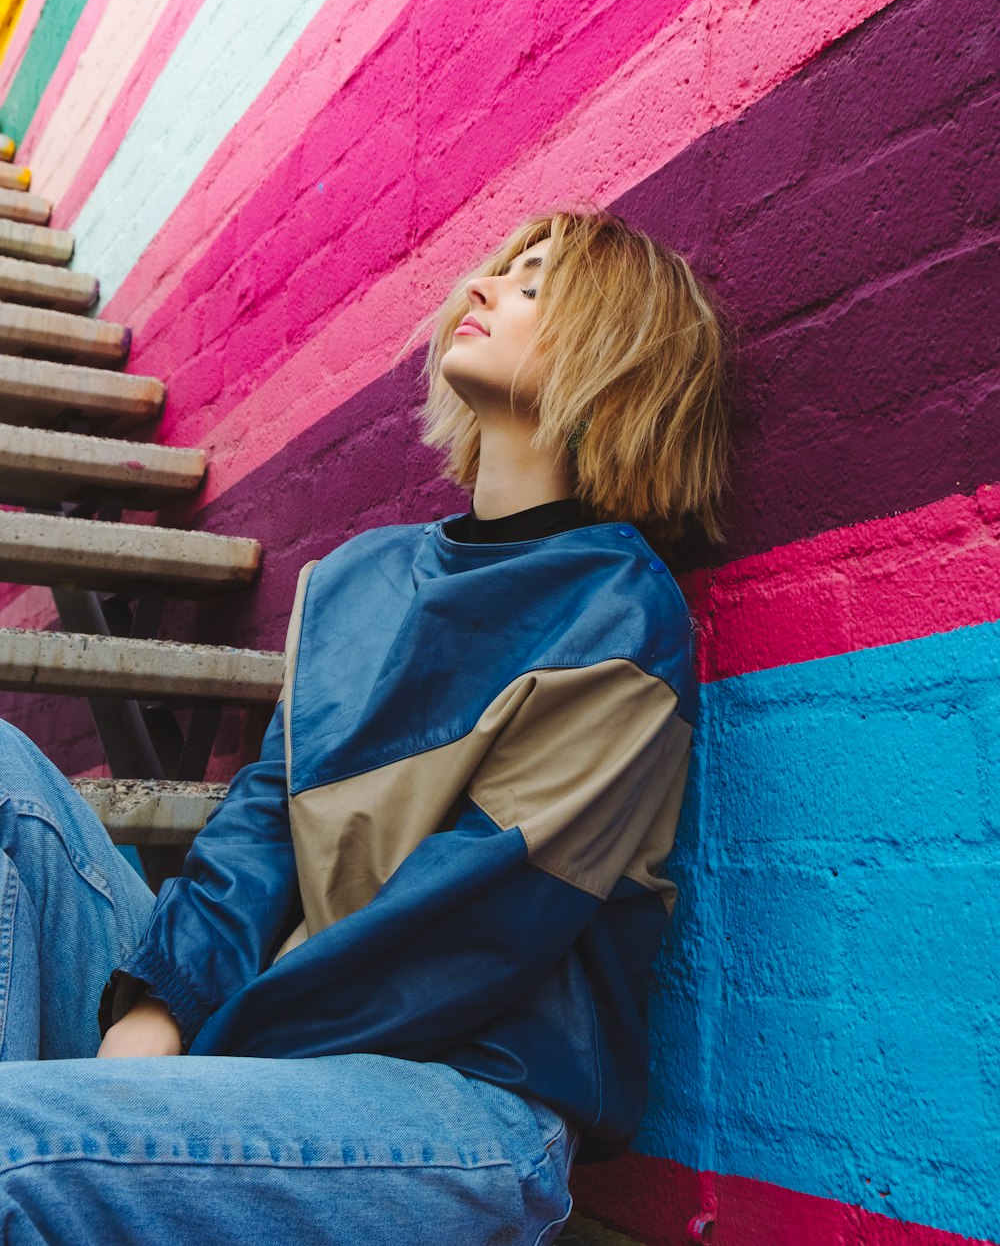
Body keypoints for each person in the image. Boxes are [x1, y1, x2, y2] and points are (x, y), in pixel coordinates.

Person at [0, 209, 729, 1245]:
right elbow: (256, 835)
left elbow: (455, 939)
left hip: (456, 1102)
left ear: (615, 357)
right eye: (495, 270)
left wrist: (187, 1060)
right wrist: (156, 1009)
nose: (481, 288)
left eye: (533, 286)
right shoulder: (354, 579)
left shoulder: (618, 620)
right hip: (259, 1027)